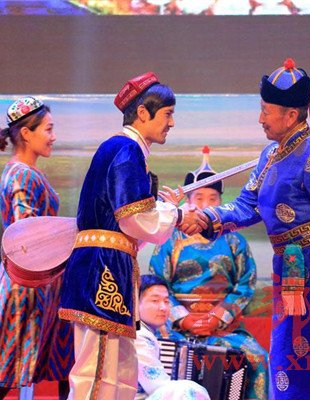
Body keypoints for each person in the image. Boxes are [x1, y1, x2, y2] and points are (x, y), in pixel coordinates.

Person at [191, 58, 310, 399]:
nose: (260, 118)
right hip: (290, 274)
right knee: (289, 358)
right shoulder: (270, 155)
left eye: (266, 111)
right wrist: (205, 217)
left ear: (291, 115)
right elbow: (247, 204)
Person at [58, 72, 206, 400]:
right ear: (142, 113)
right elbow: (134, 217)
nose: (171, 123)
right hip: (103, 268)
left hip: (112, 265)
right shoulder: (125, 149)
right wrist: (179, 215)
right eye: (167, 114)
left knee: (120, 370)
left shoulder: (124, 150)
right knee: (97, 372)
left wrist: (167, 210)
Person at [0, 96, 74, 400]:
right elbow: (25, 233)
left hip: (38, 285)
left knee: (59, 369)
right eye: (48, 129)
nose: (53, 137)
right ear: (26, 133)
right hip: (24, 288)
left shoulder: (26, 171)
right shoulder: (21, 174)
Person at [149, 147, 269, 399]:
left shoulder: (234, 241)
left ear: (221, 202)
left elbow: (245, 284)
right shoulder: (170, 240)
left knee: (257, 357)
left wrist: (217, 317)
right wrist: (184, 318)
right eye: (199, 198)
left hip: (222, 327)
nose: (205, 205)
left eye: (213, 199)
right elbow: (158, 285)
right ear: (187, 201)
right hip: (178, 329)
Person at [135, 275, 210, 400]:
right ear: (134, 303)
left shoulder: (144, 332)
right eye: (155, 301)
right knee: (187, 389)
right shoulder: (138, 335)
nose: (163, 308)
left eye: (166, 301)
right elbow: (156, 385)